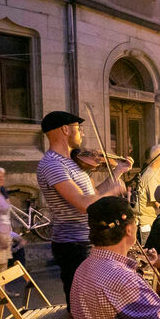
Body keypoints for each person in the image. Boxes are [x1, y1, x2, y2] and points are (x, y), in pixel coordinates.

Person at [36, 111, 132, 305]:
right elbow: (83, 204)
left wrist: (118, 172)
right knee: (81, 305)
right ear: (65, 129)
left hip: (85, 240)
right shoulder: (52, 164)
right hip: (73, 245)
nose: (82, 134)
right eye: (78, 129)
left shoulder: (71, 162)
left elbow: (93, 194)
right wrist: (112, 192)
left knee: (93, 301)